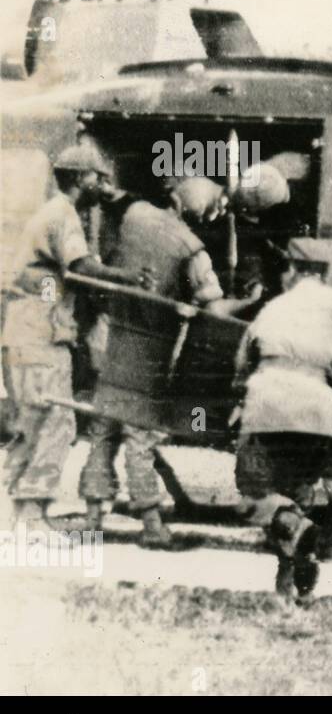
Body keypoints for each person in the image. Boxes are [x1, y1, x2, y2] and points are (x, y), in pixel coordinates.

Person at [79, 177, 260, 545]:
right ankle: (151, 523)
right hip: (151, 353)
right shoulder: (192, 248)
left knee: (103, 433)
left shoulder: (134, 216)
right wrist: (252, 300)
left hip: (114, 342)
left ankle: (94, 517)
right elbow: (214, 308)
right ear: (200, 209)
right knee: (140, 436)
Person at [233, 239, 332, 603]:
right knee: (298, 494)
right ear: (325, 274)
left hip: (266, 402)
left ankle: (297, 536)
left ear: (292, 270)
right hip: (316, 409)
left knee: (252, 494)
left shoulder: (273, 306)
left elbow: (241, 362)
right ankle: (291, 583)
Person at [1, 144, 149, 529]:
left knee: (31, 424)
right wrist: (128, 278)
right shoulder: (63, 215)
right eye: (98, 176)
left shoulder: (52, 214)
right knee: (55, 422)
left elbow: (55, 280)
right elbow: (81, 267)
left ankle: (14, 517)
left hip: (26, 335)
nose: (103, 183)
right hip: (42, 340)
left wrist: (58, 292)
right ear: (80, 178)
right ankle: (30, 516)